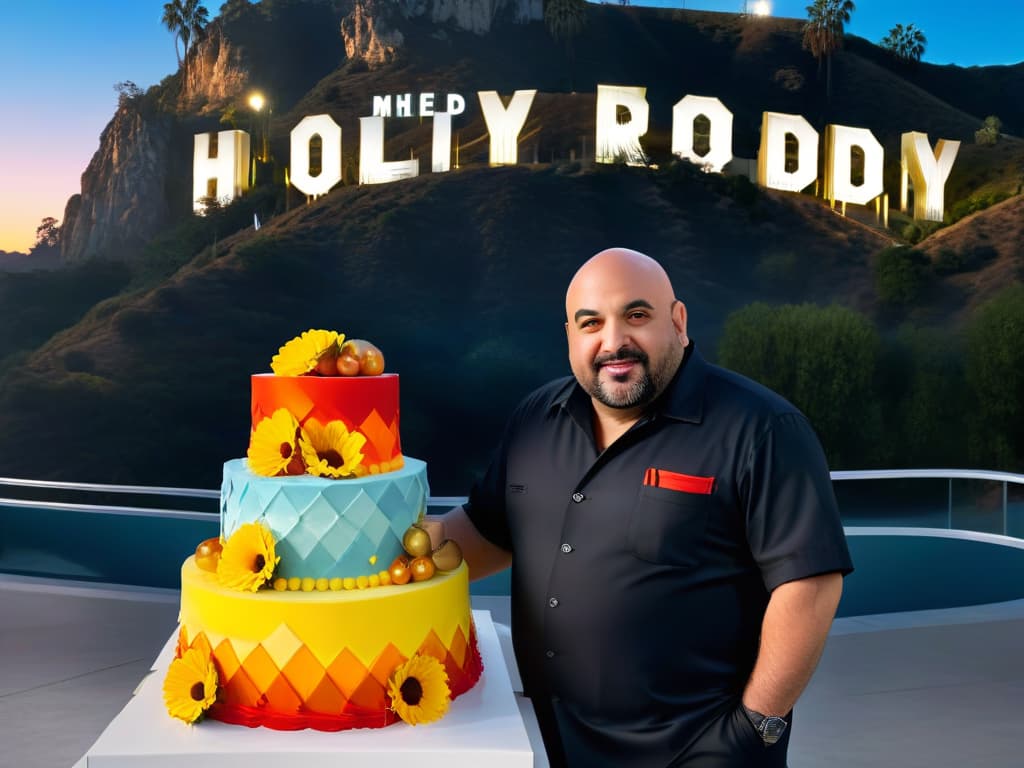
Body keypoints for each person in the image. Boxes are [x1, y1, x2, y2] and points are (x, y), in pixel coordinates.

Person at [436, 247, 853, 767]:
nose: (614, 342)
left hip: (696, 755)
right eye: (591, 323)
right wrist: (367, 556)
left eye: (636, 316)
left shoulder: (763, 429)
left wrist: (755, 728)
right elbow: (485, 533)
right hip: (554, 745)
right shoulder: (534, 420)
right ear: (569, 335)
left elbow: (809, 585)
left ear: (677, 322)